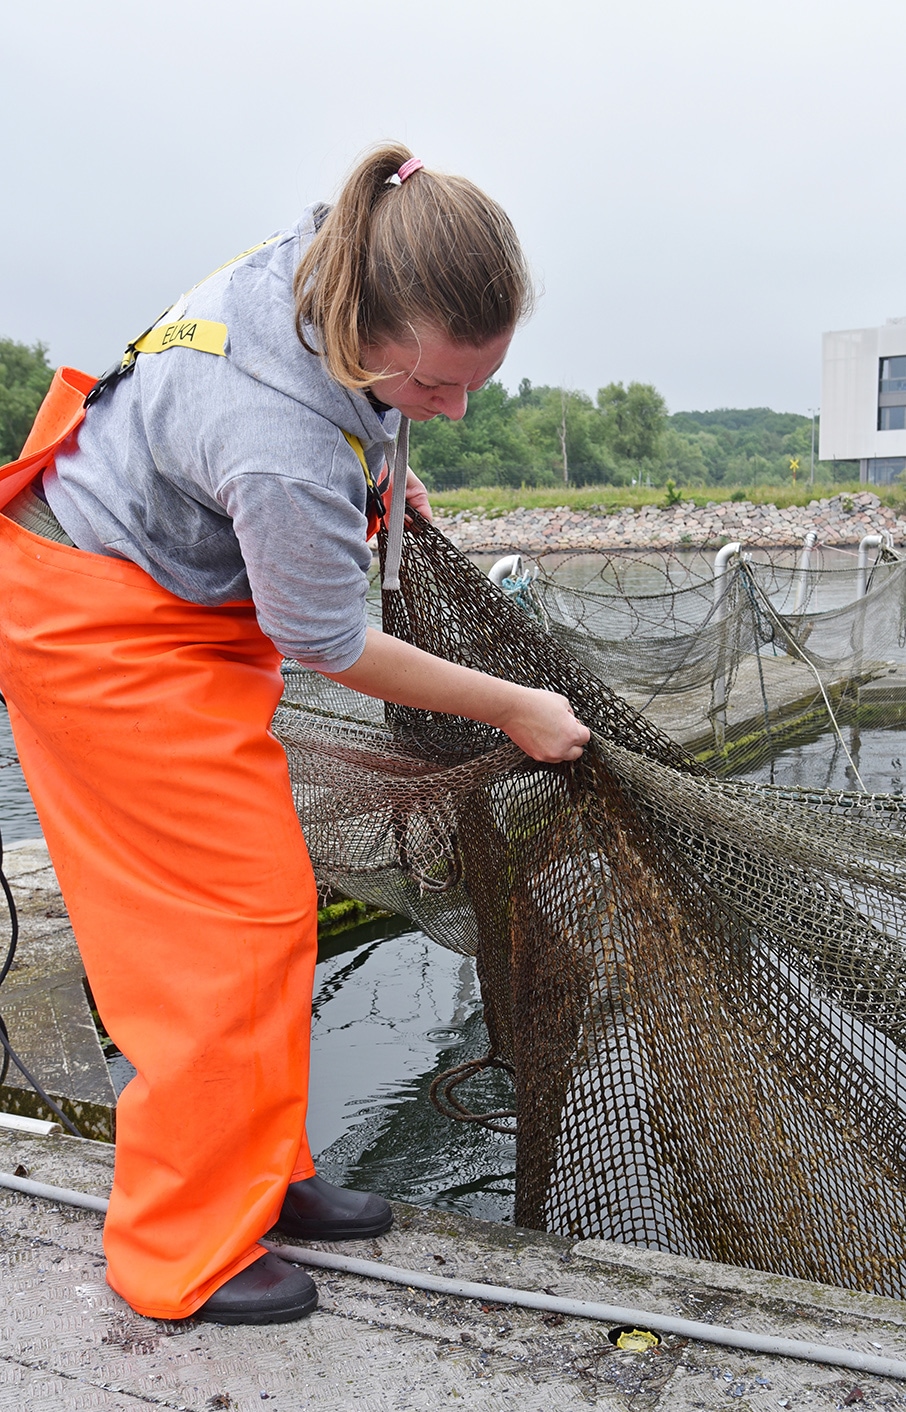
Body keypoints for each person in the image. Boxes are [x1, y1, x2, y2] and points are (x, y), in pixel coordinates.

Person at [0, 143, 589, 1325]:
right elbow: (328, 639)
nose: (454, 410)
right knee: (214, 939)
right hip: (97, 628)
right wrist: (519, 705)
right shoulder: (273, 428)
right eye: (431, 388)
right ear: (366, 330)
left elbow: (341, 428)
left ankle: (261, 1170)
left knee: (273, 906)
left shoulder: (331, 262)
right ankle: (180, 1249)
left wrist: (385, 453)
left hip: (174, 600)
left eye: (474, 382)